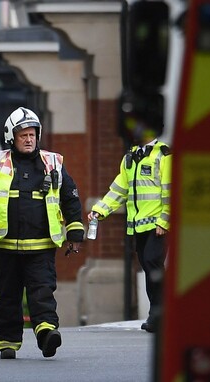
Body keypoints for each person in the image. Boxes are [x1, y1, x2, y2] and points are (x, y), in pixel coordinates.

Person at [0, 107, 84, 359]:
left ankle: (46, 333)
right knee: (8, 296)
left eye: (32, 134)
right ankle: (8, 342)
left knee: (42, 291)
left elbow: (71, 198)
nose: (29, 139)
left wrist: (75, 232)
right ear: (11, 136)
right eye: (24, 135)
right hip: (5, 246)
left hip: (41, 246)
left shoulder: (53, 163)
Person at [87, 100, 171, 333]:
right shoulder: (130, 158)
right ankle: (157, 311)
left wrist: (165, 220)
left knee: (154, 263)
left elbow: (171, 191)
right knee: (147, 265)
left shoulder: (163, 156)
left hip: (158, 224)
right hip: (138, 226)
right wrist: (100, 210)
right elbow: (118, 190)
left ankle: (161, 313)